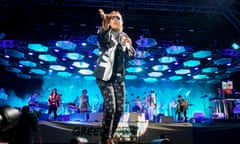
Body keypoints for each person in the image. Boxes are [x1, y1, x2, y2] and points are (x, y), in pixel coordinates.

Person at [93, 8, 136, 144]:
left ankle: (110, 136)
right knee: (110, 108)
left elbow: (131, 56)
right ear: (109, 21)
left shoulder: (124, 36)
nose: (116, 20)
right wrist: (105, 23)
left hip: (119, 78)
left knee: (120, 110)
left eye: (119, 18)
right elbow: (102, 37)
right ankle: (105, 139)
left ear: (122, 22)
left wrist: (129, 45)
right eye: (113, 18)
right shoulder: (106, 33)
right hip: (104, 76)